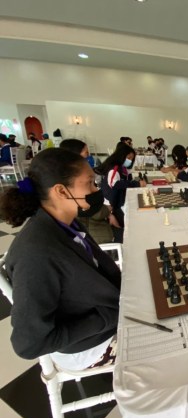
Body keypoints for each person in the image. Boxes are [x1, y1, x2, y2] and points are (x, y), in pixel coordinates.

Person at [0, 148, 121, 370]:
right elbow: (28, 344)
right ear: (61, 191)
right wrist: (107, 318)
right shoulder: (36, 254)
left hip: (105, 314)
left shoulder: (65, 223)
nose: (96, 190)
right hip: (88, 347)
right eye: (90, 183)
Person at [97, 143, 146, 242]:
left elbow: (125, 178)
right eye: (128, 158)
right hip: (111, 203)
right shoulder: (115, 168)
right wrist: (136, 184)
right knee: (127, 223)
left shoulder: (121, 167)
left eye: (131, 159)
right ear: (121, 156)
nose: (130, 160)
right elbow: (114, 184)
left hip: (117, 201)